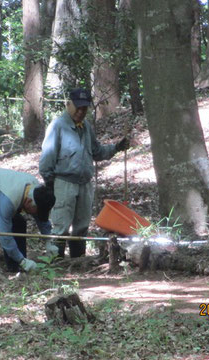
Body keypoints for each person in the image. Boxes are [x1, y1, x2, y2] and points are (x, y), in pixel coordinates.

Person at [39, 88, 130, 258]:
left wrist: (117, 147)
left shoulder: (86, 127)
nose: (81, 112)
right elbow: (46, 159)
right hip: (63, 183)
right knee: (61, 226)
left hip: (85, 183)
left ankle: (78, 262)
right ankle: (56, 265)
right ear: (69, 105)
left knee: (81, 226)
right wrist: (50, 185)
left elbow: (97, 152)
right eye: (78, 108)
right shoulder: (57, 126)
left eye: (84, 109)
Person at [0, 168, 57, 272]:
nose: (36, 214)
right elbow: (5, 236)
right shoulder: (8, 202)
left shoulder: (36, 188)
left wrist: (49, 241)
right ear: (28, 202)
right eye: (36, 211)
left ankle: (15, 266)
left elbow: (41, 219)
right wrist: (22, 261)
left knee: (19, 223)